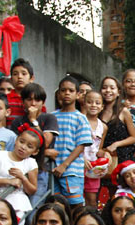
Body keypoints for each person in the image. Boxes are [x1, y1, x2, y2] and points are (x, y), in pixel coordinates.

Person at [9, 83, 59, 210]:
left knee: (34, 210)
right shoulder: (17, 121)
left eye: (37, 100)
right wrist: (47, 152)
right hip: (19, 170)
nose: (33, 103)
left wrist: (33, 121)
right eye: (29, 99)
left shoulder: (49, 118)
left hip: (40, 170)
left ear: (43, 102)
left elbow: (44, 142)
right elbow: (16, 147)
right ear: (23, 102)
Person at [0, 125, 41, 225]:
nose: (23, 147)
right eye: (22, 141)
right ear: (16, 140)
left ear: (35, 151)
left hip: (18, 203)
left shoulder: (30, 163)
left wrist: (23, 178)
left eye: (29, 146)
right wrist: (8, 181)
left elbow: (32, 190)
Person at [52, 76, 93, 208]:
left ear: (77, 94)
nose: (67, 93)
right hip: (53, 169)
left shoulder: (80, 118)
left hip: (71, 170)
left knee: (75, 205)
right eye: (63, 90)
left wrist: (64, 165)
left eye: (71, 90)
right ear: (59, 93)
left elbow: (81, 145)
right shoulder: (52, 116)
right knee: (56, 205)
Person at [81, 90, 109, 209]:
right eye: (90, 102)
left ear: (102, 107)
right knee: (76, 200)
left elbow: (99, 149)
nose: (93, 105)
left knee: (92, 201)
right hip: (78, 166)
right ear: (84, 103)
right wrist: (81, 158)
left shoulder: (103, 126)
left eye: (97, 103)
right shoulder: (79, 121)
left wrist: (106, 154)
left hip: (93, 168)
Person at [6, 58, 36, 126]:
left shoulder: (37, 99)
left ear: (31, 78)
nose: (19, 77)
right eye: (15, 74)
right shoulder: (5, 99)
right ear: (11, 79)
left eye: (24, 74)